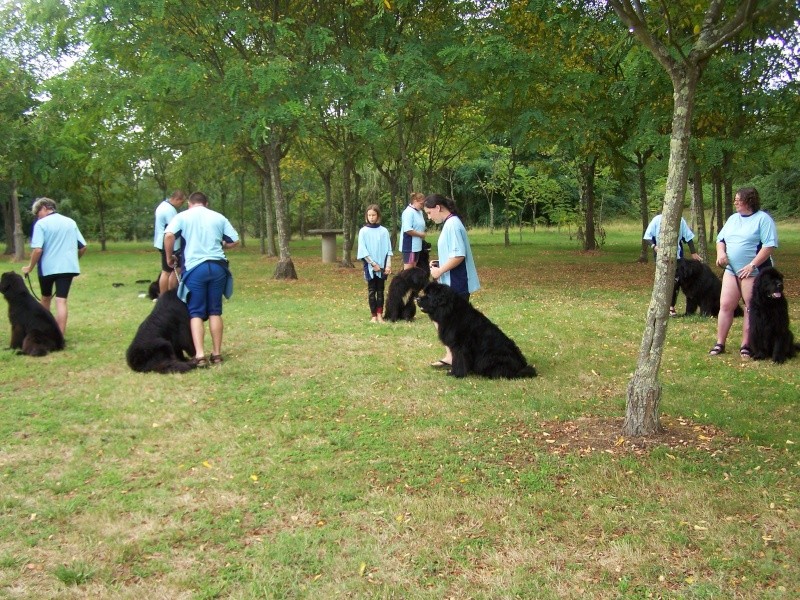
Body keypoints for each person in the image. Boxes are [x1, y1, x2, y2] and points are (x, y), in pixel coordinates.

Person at [163, 191, 239, 367]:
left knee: (195, 311)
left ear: (190, 203)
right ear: (206, 203)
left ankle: (200, 355)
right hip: (218, 267)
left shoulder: (183, 216)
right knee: (215, 310)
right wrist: (222, 246)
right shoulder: (218, 217)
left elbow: (168, 235)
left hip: (196, 267)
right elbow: (234, 240)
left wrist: (169, 257)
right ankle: (217, 354)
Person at [710, 187, 778, 359]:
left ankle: (746, 345)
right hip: (732, 270)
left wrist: (752, 266)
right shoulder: (733, 219)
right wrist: (721, 253)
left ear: (749, 201)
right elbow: (721, 239)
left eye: (738, 200)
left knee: (750, 307)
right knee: (725, 305)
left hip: (753, 272)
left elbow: (769, 245)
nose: (735, 203)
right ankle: (720, 343)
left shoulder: (763, 219)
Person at [423, 193, 480, 368]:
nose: (429, 217)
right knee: (444, 320)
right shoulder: (450, 223)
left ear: (438, 208)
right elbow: (452, 254)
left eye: (429, 213)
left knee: (452, 324)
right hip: (451, 281)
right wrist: (439, 263)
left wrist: (440, 270)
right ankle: (452, 356)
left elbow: (459, 256)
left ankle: (460, 360)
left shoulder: (453, 224)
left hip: (457, 283)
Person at [21, 197, 87, 336]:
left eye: (37, 212)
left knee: (45, 298)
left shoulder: (41, 224)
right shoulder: (70, 222)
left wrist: (30, 267)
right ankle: (60, 336)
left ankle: (44, 331)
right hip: (68, 268)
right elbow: (82, 247)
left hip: (47, 268)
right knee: (61, 301)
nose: (37, 216)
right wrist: (74, 260)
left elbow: (38, 250)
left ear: (44, 207)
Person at [643, 213, 702, 316]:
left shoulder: (680, 220)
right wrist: (654, 247)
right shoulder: (657, 220)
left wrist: (693, 253)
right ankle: (659, 305)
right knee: (663, 280)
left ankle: (671, 306)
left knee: (675, 282)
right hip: (661, 256)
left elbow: (688, 237)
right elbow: (647, 236)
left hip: (677, 257)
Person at [356, 204, 393, 323]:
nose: (371, 217)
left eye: (374, 215)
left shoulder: (384, 231)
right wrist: (373, 264)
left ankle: (379, 314)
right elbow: (363, 250)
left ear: (378, 216)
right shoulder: (363, 231)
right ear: (366, 216)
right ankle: (373, 315)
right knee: (372, 291)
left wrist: (387, 265)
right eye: (369, 215)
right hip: (370, 266)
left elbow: (388, 250)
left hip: (382, 266)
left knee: (381, 291)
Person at [154, 190, 186, 295]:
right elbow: (173, 230)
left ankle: (167, 295)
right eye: (181, 202)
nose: (181, 205)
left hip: (160, 241)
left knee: (168, 270)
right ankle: (166, 296)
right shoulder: (169, 210)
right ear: (177, 199)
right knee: (170, 271)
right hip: (168, 244)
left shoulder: (162, 205)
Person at [399, 192, 426, 270]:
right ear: (414, 201)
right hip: (409, 246)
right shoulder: (408, 212)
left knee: (414, 269)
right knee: (409, 271)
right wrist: (420, 235)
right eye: (421, 204)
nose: (422, 206)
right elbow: (408, 230)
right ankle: (405, 282)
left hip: (417, 245)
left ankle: (412, 282)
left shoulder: (419, 212)